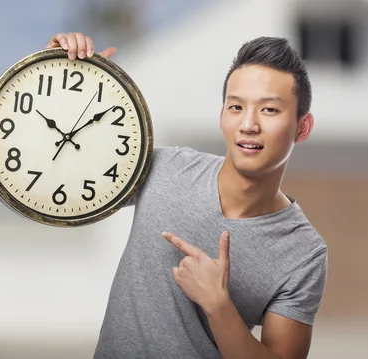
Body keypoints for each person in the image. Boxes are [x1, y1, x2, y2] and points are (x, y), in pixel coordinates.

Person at [46, 32, 328, 359]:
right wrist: (61, 79)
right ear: (222, 115)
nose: (248, 124)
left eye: (268, 110)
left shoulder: (303, 253)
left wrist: (218, 304)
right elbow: (63, 166)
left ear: (302, 128)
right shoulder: (166, 169)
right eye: (236, 106)